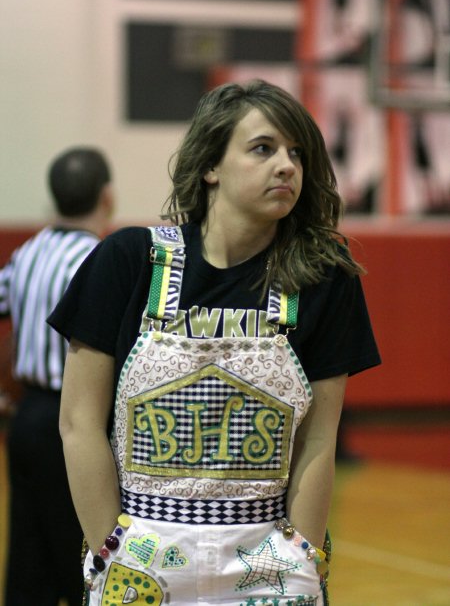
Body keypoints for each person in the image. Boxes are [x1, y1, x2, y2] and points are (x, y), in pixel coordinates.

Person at [48, 80, 381, 606]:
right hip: (142, 557)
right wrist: (107, 546)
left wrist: (303, 554)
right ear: (211, 166)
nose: (288, 166)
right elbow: (78, 423)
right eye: (263, 148)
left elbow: (318, 440)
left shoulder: (324, 278)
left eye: (297, 153)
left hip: (267, 558)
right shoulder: (129, 261)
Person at [0, 147, 114, 606]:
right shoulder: (101, 259)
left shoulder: (28, 252)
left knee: (27, 553)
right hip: (75, 425)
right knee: (81, 549)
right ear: (108, 196)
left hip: (26, 418)